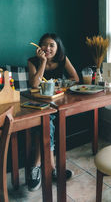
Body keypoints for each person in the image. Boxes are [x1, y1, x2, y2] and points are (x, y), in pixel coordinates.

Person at [27, 33, 79, 191]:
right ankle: (49, 169)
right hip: (37, 104)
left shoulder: (62, 59)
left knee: (45, 124)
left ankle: (37, 168)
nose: (48, 48)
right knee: (45, 121)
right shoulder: (32, 61)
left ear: (58, 48)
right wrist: (43, 62)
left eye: (52, 45)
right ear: (39, 47)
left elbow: (75, 78)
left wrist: (61, 86)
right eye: (44, 45)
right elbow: (35, 85)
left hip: (57, 102)